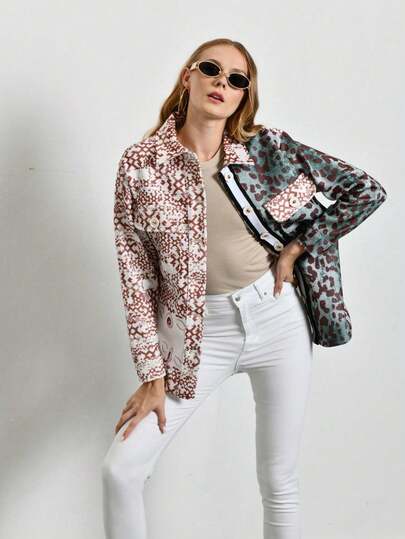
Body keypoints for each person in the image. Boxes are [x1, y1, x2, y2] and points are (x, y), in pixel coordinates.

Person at [101, 38, 386, 539]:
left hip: (277, 320)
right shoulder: (142, 164)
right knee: (121, 470)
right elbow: (136, 276)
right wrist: (152, 374)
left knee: (279, 479)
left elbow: (362, 190)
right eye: (211, 69)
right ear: (188, 77)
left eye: (237, 79)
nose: (222, 82)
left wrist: (297, 248)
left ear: (242, 97)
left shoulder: (265, 152)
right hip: (198, 337)